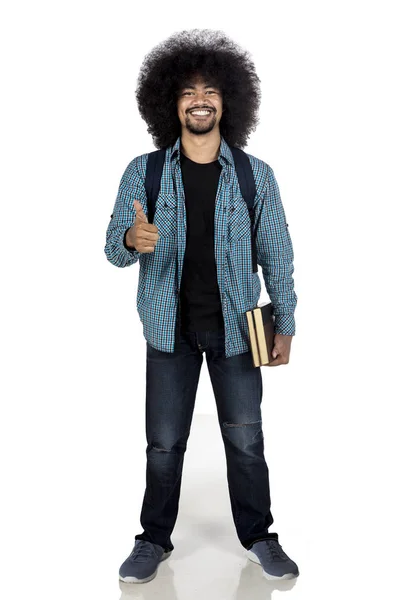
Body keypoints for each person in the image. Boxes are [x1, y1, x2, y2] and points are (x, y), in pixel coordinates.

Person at [105, 28, 299, 584]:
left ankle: (260, 537)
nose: (199, 98)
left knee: (246, 438)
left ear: (228, 102)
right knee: (164, 444)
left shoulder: (253, 175)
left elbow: (278, 255)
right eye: (188, 89)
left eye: (210, 89)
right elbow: (112, 247)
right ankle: (153, 540)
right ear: (170, 102)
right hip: (168, 333)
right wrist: (129, 242)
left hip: (239, 332)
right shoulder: (142, 172)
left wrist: (284, 323)